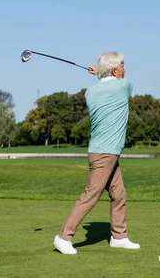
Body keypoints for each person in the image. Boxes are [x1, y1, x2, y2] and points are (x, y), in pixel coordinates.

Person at [53, 51, 140, 255]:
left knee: (118, 194)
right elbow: (118, 83)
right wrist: (100, 74)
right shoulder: (124, 86)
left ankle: (119, 236)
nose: (125, 69)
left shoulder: (90, 92)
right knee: (91, 195)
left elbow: (106, 83)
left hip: (101, 151)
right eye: (122, 65)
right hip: (105, 153)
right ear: (115, 69)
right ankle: (63, 237)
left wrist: (100, 75)